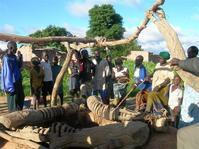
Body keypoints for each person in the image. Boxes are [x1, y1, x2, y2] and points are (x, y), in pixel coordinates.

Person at [170, 46, 199, 149]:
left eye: (192, 52)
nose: (189, 53)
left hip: (196, 94)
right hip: (188, 94)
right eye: (189, 51)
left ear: (196, 53)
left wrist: (179, 62)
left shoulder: (191, 63)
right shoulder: (186, 62)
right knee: (185, 115)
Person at [1, 41, 25, 112]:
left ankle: (19, 114)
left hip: (17, 81)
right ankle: (13, 117)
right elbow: (7, 74)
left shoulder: (14, 57)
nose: (17, 49)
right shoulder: (6, 58)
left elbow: (19, 66)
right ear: (11, 48)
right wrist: (10, 87)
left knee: (21, 97)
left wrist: (20, 58)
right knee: (13, 102)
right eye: (16, 47)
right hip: (11, 84)